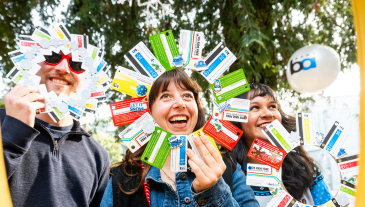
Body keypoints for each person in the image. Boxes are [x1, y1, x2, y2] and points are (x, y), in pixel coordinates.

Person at [100, 68, 259, 207]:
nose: (180, 103)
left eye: (187, 95)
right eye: (166, 96)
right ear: (148, 112)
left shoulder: (228, 167)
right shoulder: (122, 177)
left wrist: (214, 192)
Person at [2, 51, 110, 206]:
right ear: (32, 64)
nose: (63, 68)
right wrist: (13, 134)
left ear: (88, 80)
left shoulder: (98, 155)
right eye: (52, 58)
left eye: (76, 64)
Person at [230, 83, 333, 206]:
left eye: (272, 106)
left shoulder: (305, 168)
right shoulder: (227, 173)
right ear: (237, 119)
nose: (268, 114)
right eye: (255, 107)